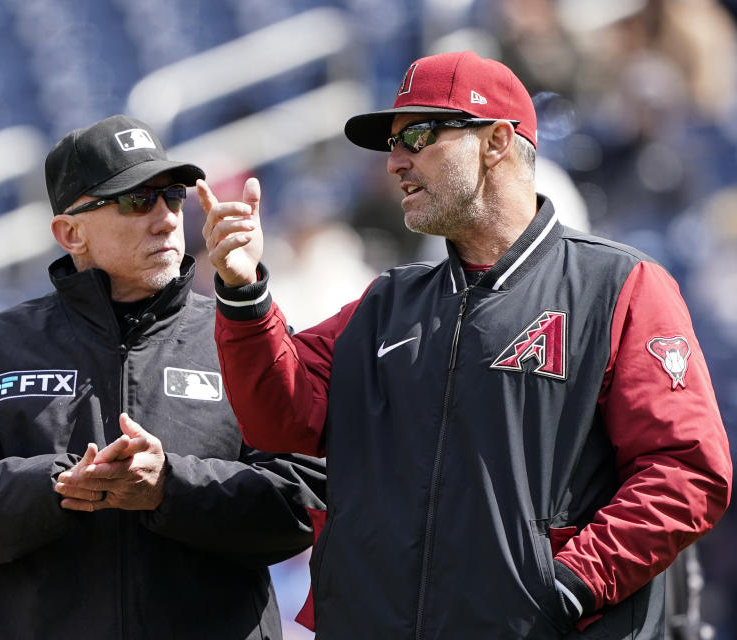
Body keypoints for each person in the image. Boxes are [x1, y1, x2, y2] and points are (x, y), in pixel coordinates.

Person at [200, 51, 732, 639]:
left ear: (497, 141)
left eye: (418, 136)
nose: (395, 162)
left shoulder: (618, 286)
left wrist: (568, 588)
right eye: (392, 145)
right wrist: (244, 294)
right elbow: (280, 419)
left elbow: (686, 471)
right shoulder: (387, 302)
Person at [0, 114, 326, 639]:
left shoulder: (243, 338)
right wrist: (59, 486)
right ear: (70, 232)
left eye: (171, 195)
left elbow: (305, 498)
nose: (167, 217)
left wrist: (170, 486)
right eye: (134, 200)